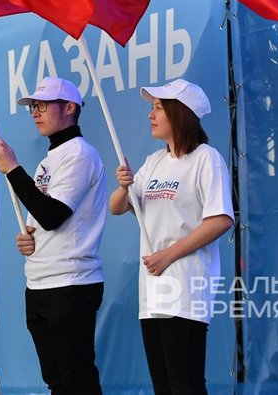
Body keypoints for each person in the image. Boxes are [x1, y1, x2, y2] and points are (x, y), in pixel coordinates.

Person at [109, 79, 234, 395]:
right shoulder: (154, 161)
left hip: (185, 286)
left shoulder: (206, 158)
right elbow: (117, 207)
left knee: (185, 383)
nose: (150, 115)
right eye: (152, 107)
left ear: (181, 113)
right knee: (163, 385)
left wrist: (168, 255)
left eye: (158, 108)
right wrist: (124, 187)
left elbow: (221, 219)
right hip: (152, 293)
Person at [0, 76, 107, 394]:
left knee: (76, 379)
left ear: (69, 107)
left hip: (71, 282)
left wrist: (13, 170)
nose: (34, 112)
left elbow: (53, 215)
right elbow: (42, 220)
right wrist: (29, 240)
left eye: (42, 106)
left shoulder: (79, 155)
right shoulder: (49, 160)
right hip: (40, 282)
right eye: (33, 106)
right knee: (56, 381)